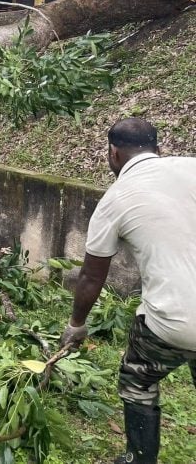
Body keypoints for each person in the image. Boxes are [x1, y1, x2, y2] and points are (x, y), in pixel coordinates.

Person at [59, 118, 196, 464]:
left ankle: (140, 458)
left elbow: (92, 275)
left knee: (138, 379)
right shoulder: (190, 166)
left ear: (114, 153)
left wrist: (76, 325)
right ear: (158, 148)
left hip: (174, 322)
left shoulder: (115, 198)